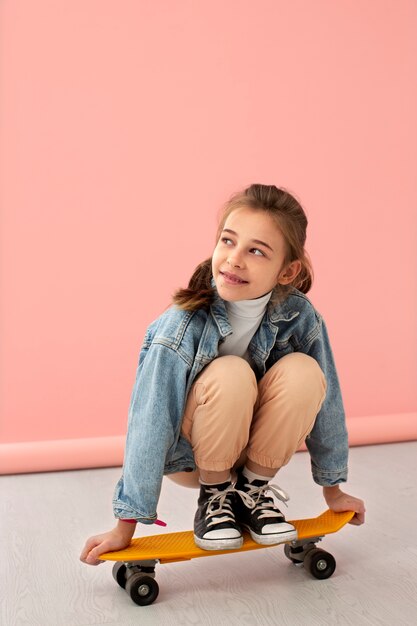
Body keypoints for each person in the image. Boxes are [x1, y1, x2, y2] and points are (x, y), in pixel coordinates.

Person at [80, 184, 365, 565]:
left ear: (287, 271)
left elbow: (327, 405)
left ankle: (251, 493)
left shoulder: (300, 316)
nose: (234, 260)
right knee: (231, 372)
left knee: (306, 372)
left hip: (252, 449)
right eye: (228, 241)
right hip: (193, 456)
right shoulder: (180, 326)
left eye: (256, 251)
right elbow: (150, 419)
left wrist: (334, 491)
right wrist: (124, 525)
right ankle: (215, 498)